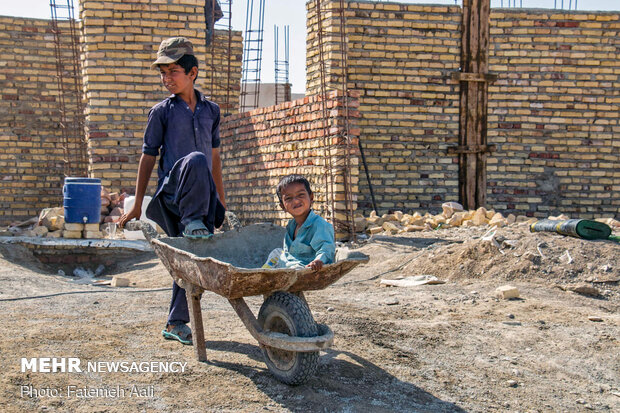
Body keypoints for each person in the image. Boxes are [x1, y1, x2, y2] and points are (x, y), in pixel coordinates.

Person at [118, 37, 226, 346]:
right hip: (173, 196)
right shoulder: (161, 112)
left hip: (202, 200)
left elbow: (215, 158)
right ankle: (192, 221)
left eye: (173, 71)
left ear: (192, 73)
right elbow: (148, 156)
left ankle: (176, 323)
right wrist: (138, 204)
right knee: (194, 160)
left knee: (189, 259)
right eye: (162, 73)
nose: (167, 79)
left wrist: (221, 202)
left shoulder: (211, 111)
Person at [272, 174, 335, 270]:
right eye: (288, 198)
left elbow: (326, 248)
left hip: (303, 268)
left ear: (311, 197)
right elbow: (287, 252)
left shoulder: (319, 225)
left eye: (301, 195)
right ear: (282, 206)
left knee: (295, 268)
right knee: (276, 253)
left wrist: (318, 261)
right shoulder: (291, 226)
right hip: (287, 265)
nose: (296, 201)